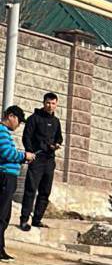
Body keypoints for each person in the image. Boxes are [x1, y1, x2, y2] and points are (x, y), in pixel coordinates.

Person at [19, 92, 63, 230]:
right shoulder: (34, 118)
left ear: (56, 104)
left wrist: (56, 145)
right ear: (44, 103)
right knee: (31, 189)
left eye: (53, 103)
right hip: (37, 158)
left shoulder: (56, 122)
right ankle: (24, 220)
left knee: (45, 191)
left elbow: (59, 138)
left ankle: (37, 219)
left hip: (49, 160)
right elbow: (26, 137)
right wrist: (30, 152)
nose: (50, 106)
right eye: (48, 103)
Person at [0, 106, 35, 261]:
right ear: (11, 116)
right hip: (5, 177)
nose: (18, 125)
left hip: (8, 177)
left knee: (4, 216)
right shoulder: (1, 131)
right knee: (1, 216)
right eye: (19, 121)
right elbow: (6, 153)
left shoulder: (5, 133)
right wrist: (24, 156)